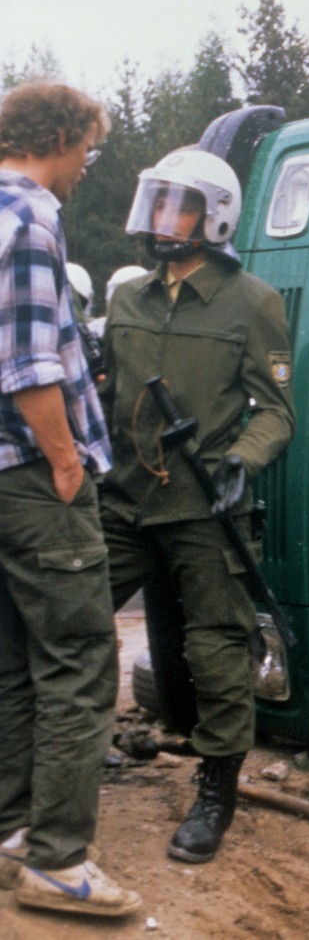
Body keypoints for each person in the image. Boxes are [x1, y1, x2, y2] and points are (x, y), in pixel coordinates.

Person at [99, 147, 296, 865]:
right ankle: (51, 763)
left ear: (212, 217)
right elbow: (105, 394)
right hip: (121, 499)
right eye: (154, 200)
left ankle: (216, 790)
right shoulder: (127, 298)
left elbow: (277, 411)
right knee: (68, 617)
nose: (159, 218)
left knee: (216, 650)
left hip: (204, 505)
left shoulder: (254, 302)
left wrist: (243, 459)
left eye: (175, 204)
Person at [0, 83, 140, 916]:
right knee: (82, 662)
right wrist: (63, 462)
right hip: (30, 473)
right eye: (88, 146)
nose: (89, 164)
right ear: (57, 136)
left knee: (15, 658)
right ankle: (57, 861)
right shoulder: (29, 219)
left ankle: (15, 830)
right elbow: (28, 367)